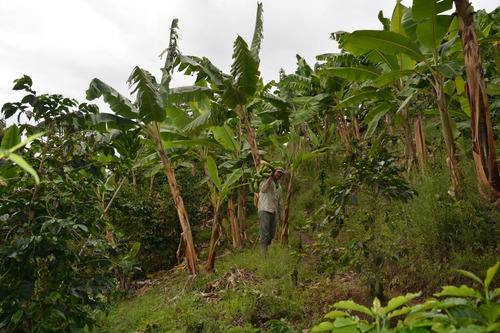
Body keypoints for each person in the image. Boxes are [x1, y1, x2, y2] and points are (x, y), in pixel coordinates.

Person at [258, 166, 285, 255]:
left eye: (281, 174)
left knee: (271, 235)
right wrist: (269, 180)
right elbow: (262, 189)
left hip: (273, 212)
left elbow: (280, 204)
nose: (279, 174)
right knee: (264, 234)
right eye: (278, 172)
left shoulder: (279, 187)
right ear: (274, 172)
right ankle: (263, 255)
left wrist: (282, 217)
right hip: (264, 209)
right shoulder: (265, 180)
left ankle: (264, 249)